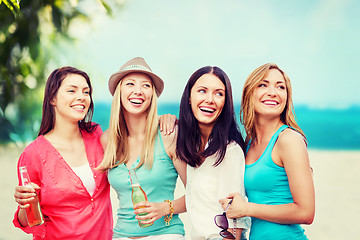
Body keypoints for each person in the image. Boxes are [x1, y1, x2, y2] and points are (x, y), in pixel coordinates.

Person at [13, 66, 113, 239]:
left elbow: (133, 133)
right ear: (52, 98)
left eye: (86, 92)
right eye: (72, 90)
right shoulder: (33, 154)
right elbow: (29, 221)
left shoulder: (97, 135)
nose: (81, 97)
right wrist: (25, 205)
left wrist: (161, 119)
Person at [220, 63, 315, 240]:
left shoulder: (288, 139)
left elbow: (306, 212)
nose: (273, 92)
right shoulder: (248, 143)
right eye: (263, 85)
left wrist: (247, 209)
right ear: (249, 93)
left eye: (281, 87)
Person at [97, 57, 186, 240]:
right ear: (119, 91)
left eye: (146, 86)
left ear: (152, 95)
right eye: (130, 84)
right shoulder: (106, 140)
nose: (138, 91)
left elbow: (199, 194)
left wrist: (165, 208)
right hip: (120, 235)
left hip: (166, 234)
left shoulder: (168, 135)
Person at [176, 66, 251, 240]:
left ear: (225, 103)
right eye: (202, 91)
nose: (210, 99)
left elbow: (235, 217)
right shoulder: (191, 144)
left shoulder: (229, 150)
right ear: (189, 97)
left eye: (219, 93)